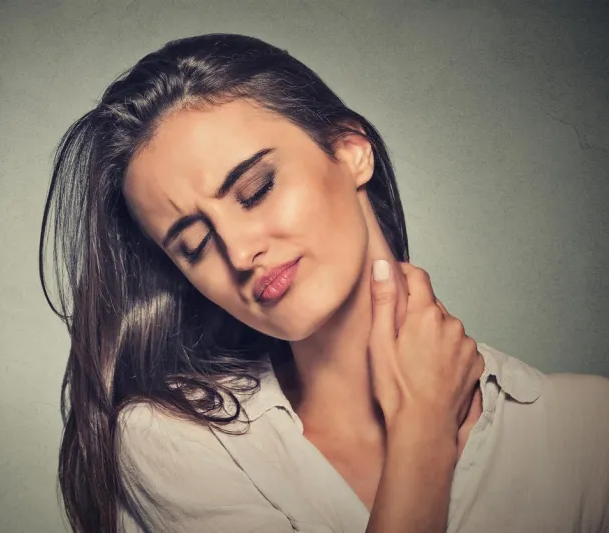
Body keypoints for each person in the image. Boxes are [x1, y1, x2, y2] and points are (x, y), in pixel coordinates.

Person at [38, 33, 609, 533]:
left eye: (256, 188)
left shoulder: (586, 434)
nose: (240, 252)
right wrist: (422, 430)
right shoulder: (180, 442)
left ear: (351, 151)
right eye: (196, 246)